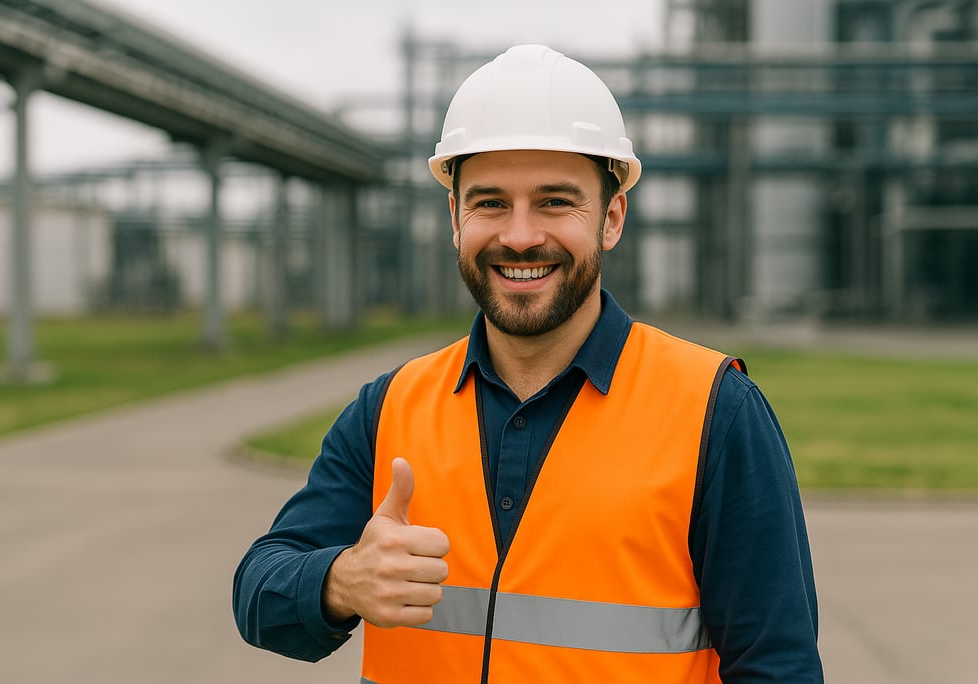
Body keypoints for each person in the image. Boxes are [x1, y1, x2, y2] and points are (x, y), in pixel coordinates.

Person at [233, 44, 823, 683]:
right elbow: (259, 590)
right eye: (489, 202)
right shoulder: (392, 407)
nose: (519, 236)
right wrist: (339, 582)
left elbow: (777, 666)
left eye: (554, 202)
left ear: (611, 218)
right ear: (455, 219)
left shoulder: (714, 410)